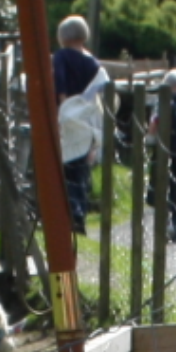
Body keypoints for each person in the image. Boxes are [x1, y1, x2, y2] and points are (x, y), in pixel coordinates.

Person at [51, 13, 103, 228]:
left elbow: (60, 82)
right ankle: (81, 207)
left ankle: (73, 210)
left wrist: (63, 108)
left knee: (67, 163)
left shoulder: (61, 57)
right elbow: (99, 87)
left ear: (62, 36)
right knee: (82, 165)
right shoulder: (92, 61)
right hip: (88, 114)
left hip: (69, 112)